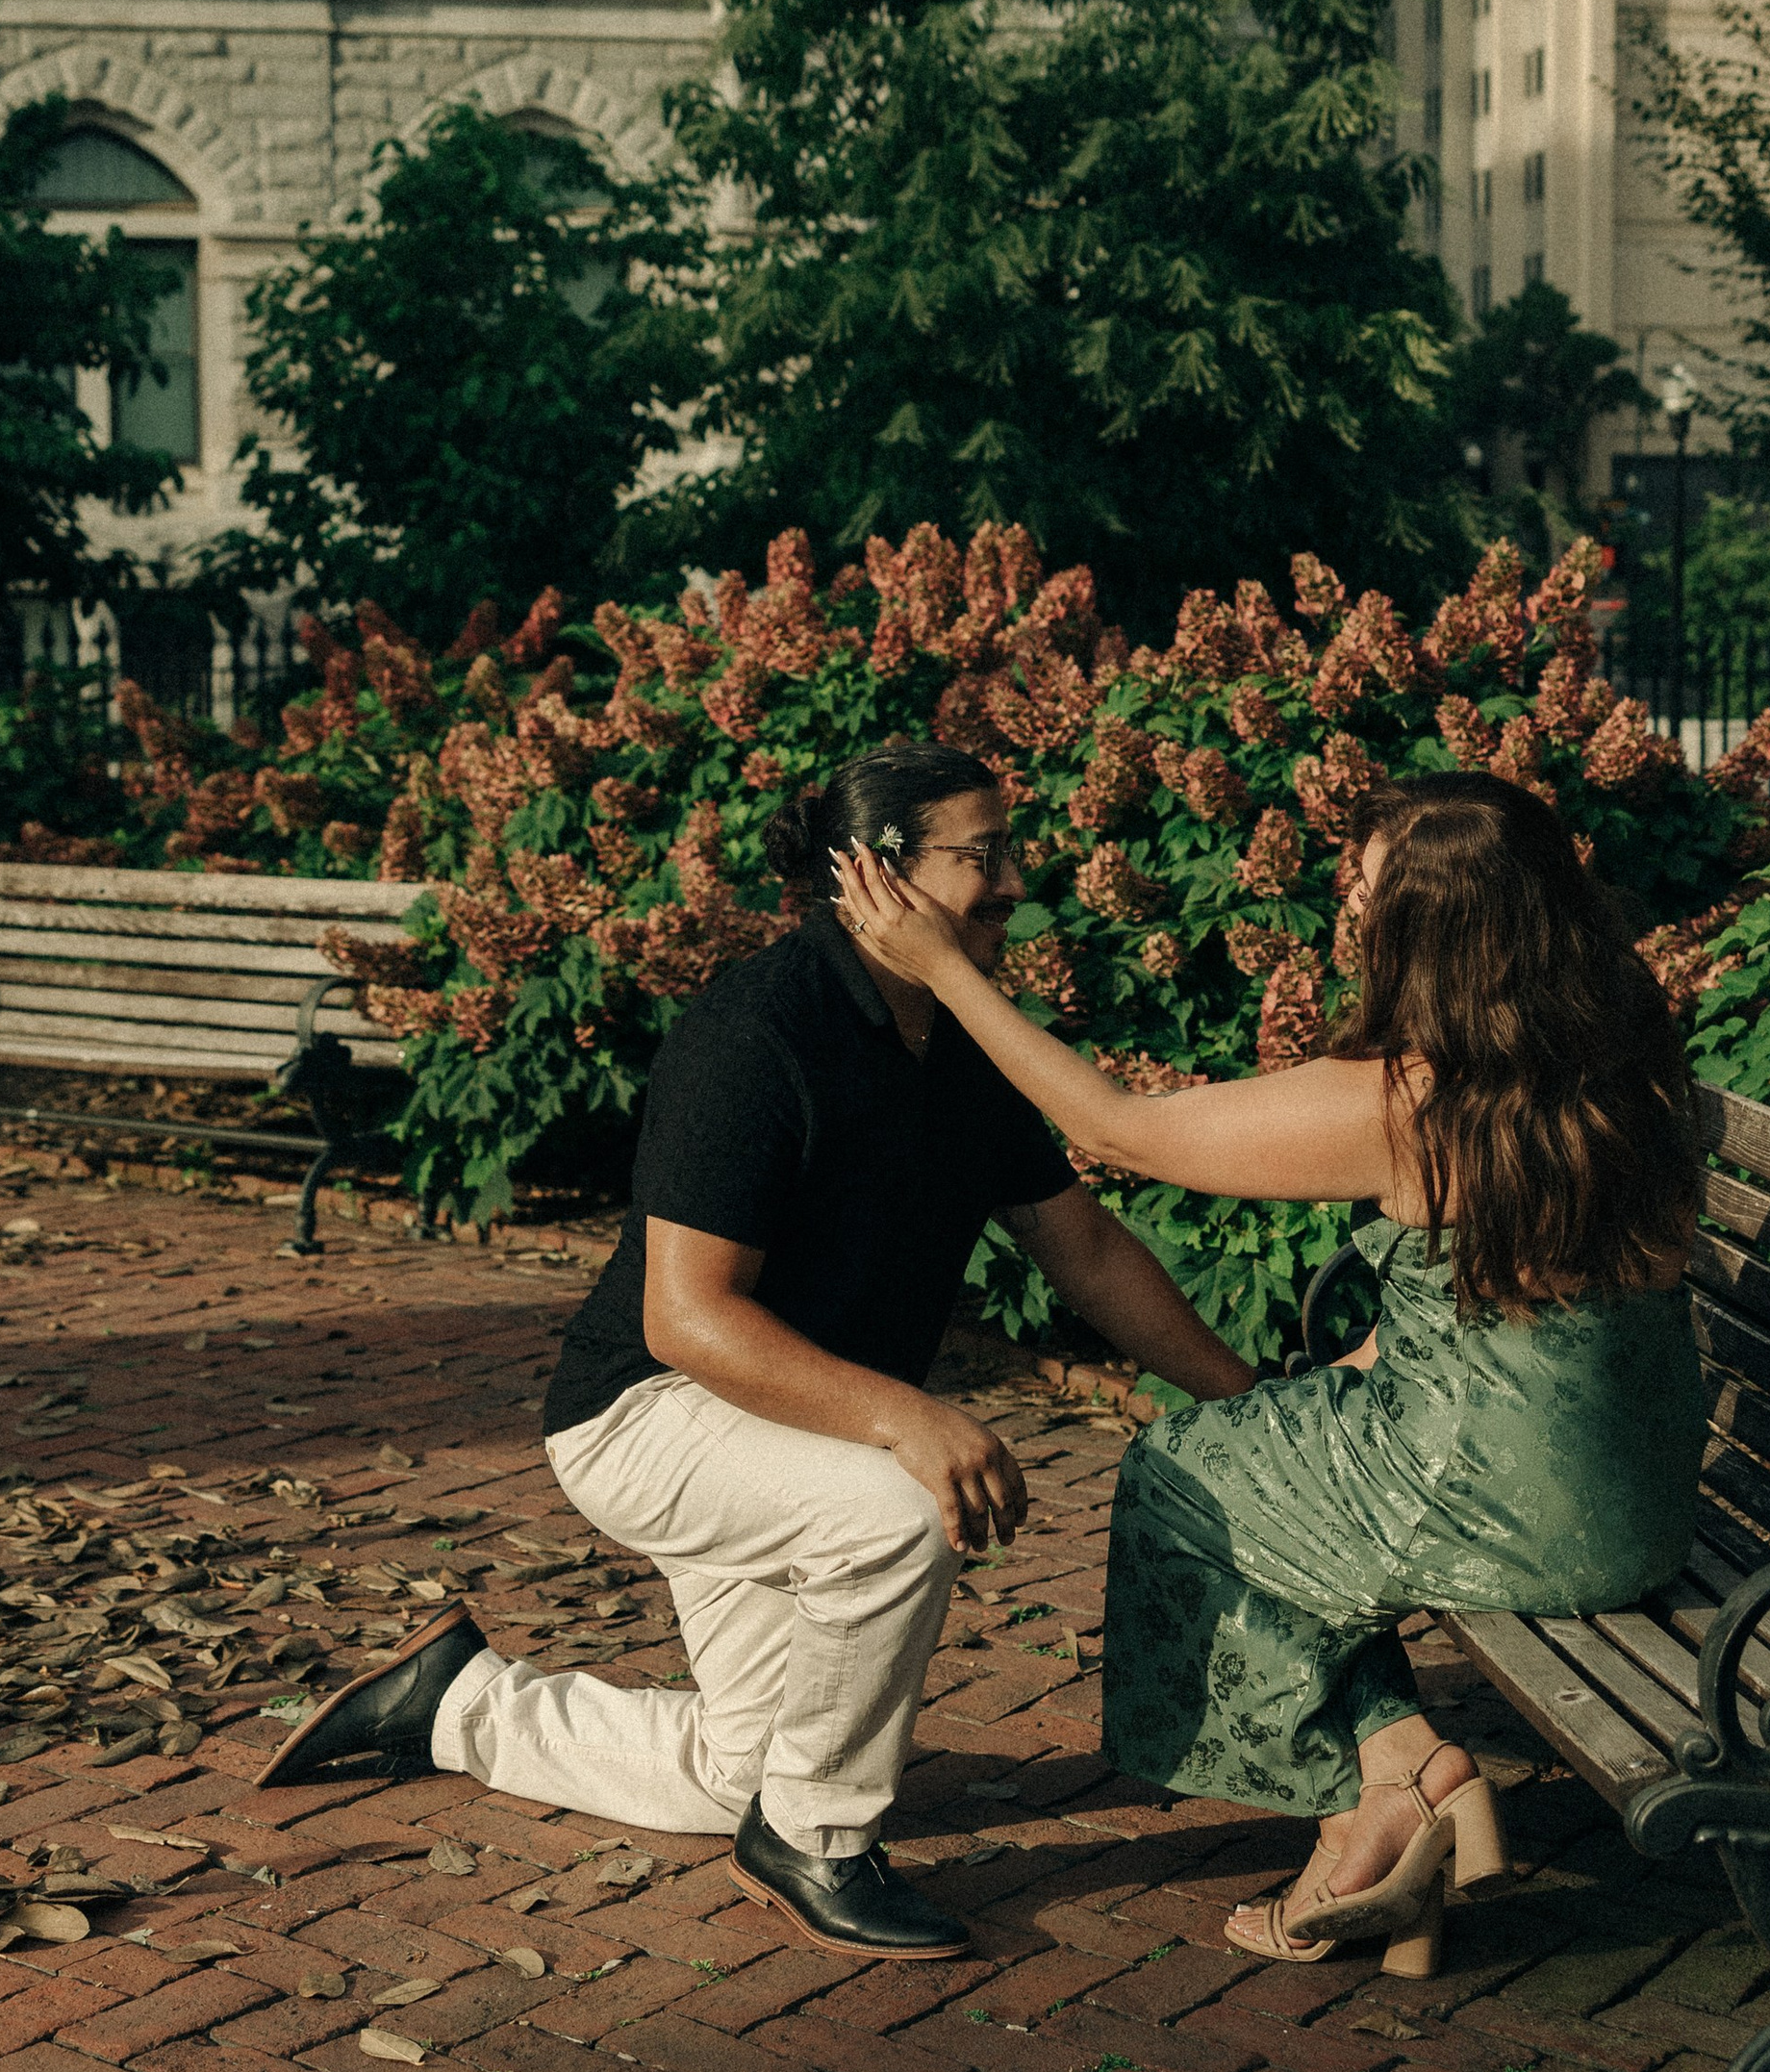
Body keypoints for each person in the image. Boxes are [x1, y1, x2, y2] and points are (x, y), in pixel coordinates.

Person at [262, 738, 1254, 1955]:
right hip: (650, 1413)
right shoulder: (754, 1029)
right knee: (894, 1514)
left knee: (742, 1769)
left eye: (1011, 851)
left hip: (790, 1420)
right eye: (982, 854)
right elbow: (688, 1319)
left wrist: (1247, 1397)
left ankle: (452, 1706)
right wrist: (903, 1415)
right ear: (875, 876)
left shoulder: (959, 1037)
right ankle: (818, 1841)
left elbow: (1084, 1252)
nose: (1013, 881)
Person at [834, 768, 1706, 1978]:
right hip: (1642, 1496)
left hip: (1503, 1500)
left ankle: (1375, 1790)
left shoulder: (1415, 1102)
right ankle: (1397, 1782)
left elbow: (1120, 1130)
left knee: (1182, 1480)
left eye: (1366, 888)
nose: (1346, 901)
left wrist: (946, 971)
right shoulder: (1623, 1058)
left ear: (1431, 928)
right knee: (1262, 1444)